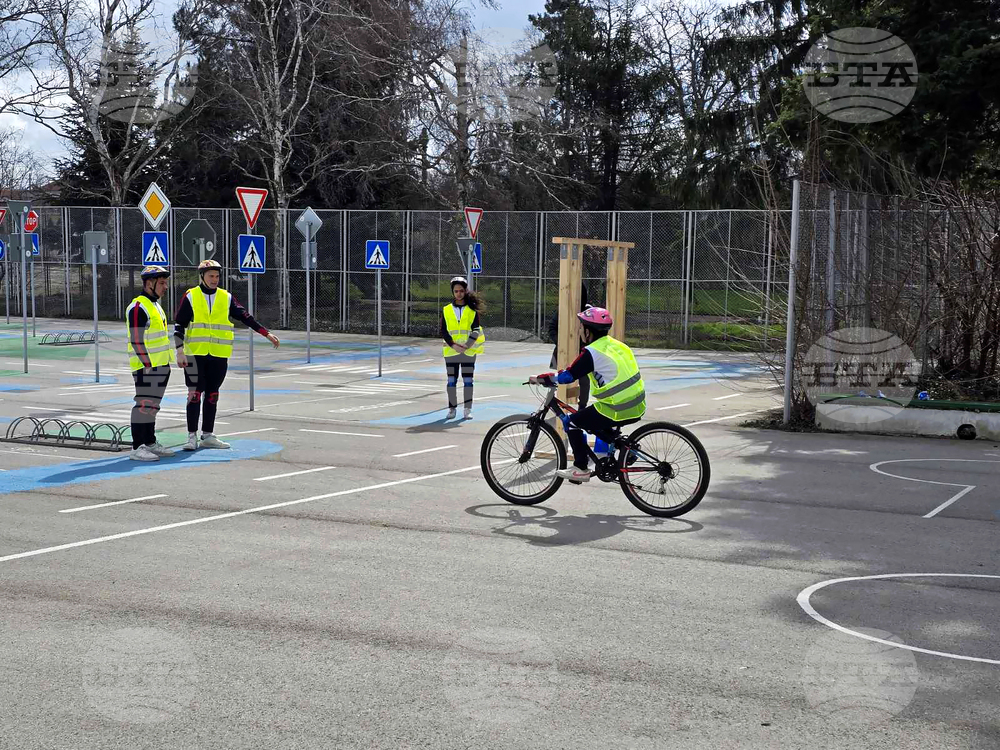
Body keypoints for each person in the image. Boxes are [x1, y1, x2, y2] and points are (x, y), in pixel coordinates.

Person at [173, 259, 280, 450]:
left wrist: (266, 333)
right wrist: (179, 351)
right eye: (211, 276)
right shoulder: (191, 296)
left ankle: (207, 435)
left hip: (218, 355)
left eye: (217, 276)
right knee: (195, 395)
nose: (215, 279)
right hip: (194, 356)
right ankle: (191, 436)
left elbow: (245, 317)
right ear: (202, 277)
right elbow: (179, 324)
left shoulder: (226, 297)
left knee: (212, 395)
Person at [531, 306, 645, 483]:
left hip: (615, 407)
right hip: (637, 405)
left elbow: (568, 375)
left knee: (573, 422)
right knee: (594, 421)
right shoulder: (619, 346)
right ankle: (626, 449)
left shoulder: (592, 352)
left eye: (581, 326)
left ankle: (580, 468)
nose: (579, 330)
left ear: (587, 330)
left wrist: (543, 378)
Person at [126, 266, 177, 461]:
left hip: (161, 365)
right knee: (143, 404)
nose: (166, 287)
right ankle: (137, 447)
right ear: (149, 283)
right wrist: (147, 364)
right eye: (162, 283)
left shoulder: (155, 305)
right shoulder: (139, 307)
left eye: (166, 283)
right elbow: (136, 339)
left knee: (153, 406)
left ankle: (150, 442)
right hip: (145, 367)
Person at [440, 275, 486, 419]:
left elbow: (476, 329)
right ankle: (452, 409)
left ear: (465, 291)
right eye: (456, 291)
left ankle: (467, 409)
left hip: (468, 352)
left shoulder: (472, 310)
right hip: (451, 351)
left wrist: (467, 345)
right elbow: (443, 330)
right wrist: (453, 345)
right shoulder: (446, 310)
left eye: (461, 290)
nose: (458, 293)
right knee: (451, 381)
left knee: (468, 380)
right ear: (452, 292)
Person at [547, 282, 590, 408]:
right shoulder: (562, 309)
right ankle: (549, 407)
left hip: (580, 353)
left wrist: (583, 347)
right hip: (562, 353)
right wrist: (562, 345)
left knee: (584, 381)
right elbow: (552, 329)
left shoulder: (587, 311)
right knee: (558, 381)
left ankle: (582, 407)